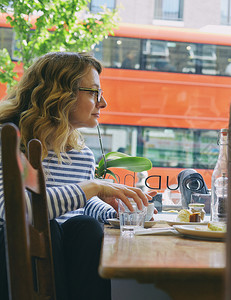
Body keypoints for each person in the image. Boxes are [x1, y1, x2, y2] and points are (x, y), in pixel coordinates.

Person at [0, 52, 154, 300]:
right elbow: (11, 210)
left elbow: (76, 206)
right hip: (10, 259)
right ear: (59, 92)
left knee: (85, 226)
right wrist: (92, 187)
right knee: (48, 226)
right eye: (94, 92)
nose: (102, 103)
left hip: (60, 259)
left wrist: (114, 209)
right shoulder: (7, 140)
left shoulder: (81, 154)